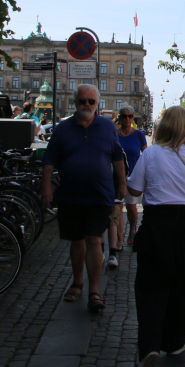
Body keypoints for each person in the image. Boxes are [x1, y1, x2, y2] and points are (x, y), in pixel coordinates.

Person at [127, 106, 185, 366]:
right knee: (183, 288)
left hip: (157, 225)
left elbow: (134, 188)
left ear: (163, 126)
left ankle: (149, 346)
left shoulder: (151, 154)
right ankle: (175, 341)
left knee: (150, 288)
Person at [41, 84, 126, 313]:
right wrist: (46, 187)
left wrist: (122, 184)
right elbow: (49, 159)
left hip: (100, 195)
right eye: (82, 101)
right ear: (75, 102)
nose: (86, 105)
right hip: (70, 194)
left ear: (97, 103)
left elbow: (117, 157)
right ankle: (78, 282)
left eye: (91, 101)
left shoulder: (107, 127)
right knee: (77, 240)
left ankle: (94, 290)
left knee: (94, 239)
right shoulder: (63, 128)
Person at [108, 107, 148, 268]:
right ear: (120, 118)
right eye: (124, 116)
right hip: (116, 177)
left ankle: (132, 230)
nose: (127, 119)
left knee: (131, 208)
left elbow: (145, 155)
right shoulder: (114, 134)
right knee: (117, 209)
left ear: (133, 118)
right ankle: (118, 239)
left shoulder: (139, 135)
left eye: (130, 116)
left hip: (133, 176)